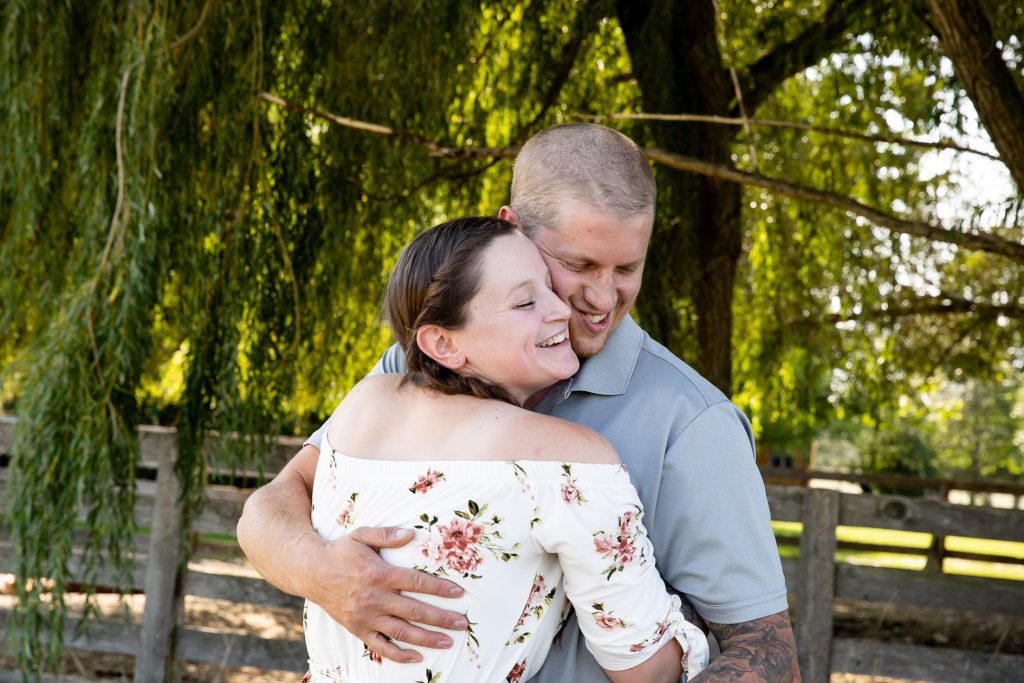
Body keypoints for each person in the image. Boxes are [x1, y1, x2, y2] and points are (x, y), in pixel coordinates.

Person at [238, 124, 799, 682]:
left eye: (627, 268)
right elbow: (273, 505)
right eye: (578, 266)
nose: (603, 299)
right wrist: (322, 573)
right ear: (513, 231)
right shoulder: (420, 365)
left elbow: (769, 655)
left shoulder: (693, 422)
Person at [300, 216, 709, 681]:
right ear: (442, 343)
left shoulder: (361, 406)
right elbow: (647, 673)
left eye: (548, 287)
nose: (560, 310)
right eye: (526, 302)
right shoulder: (569, 462)